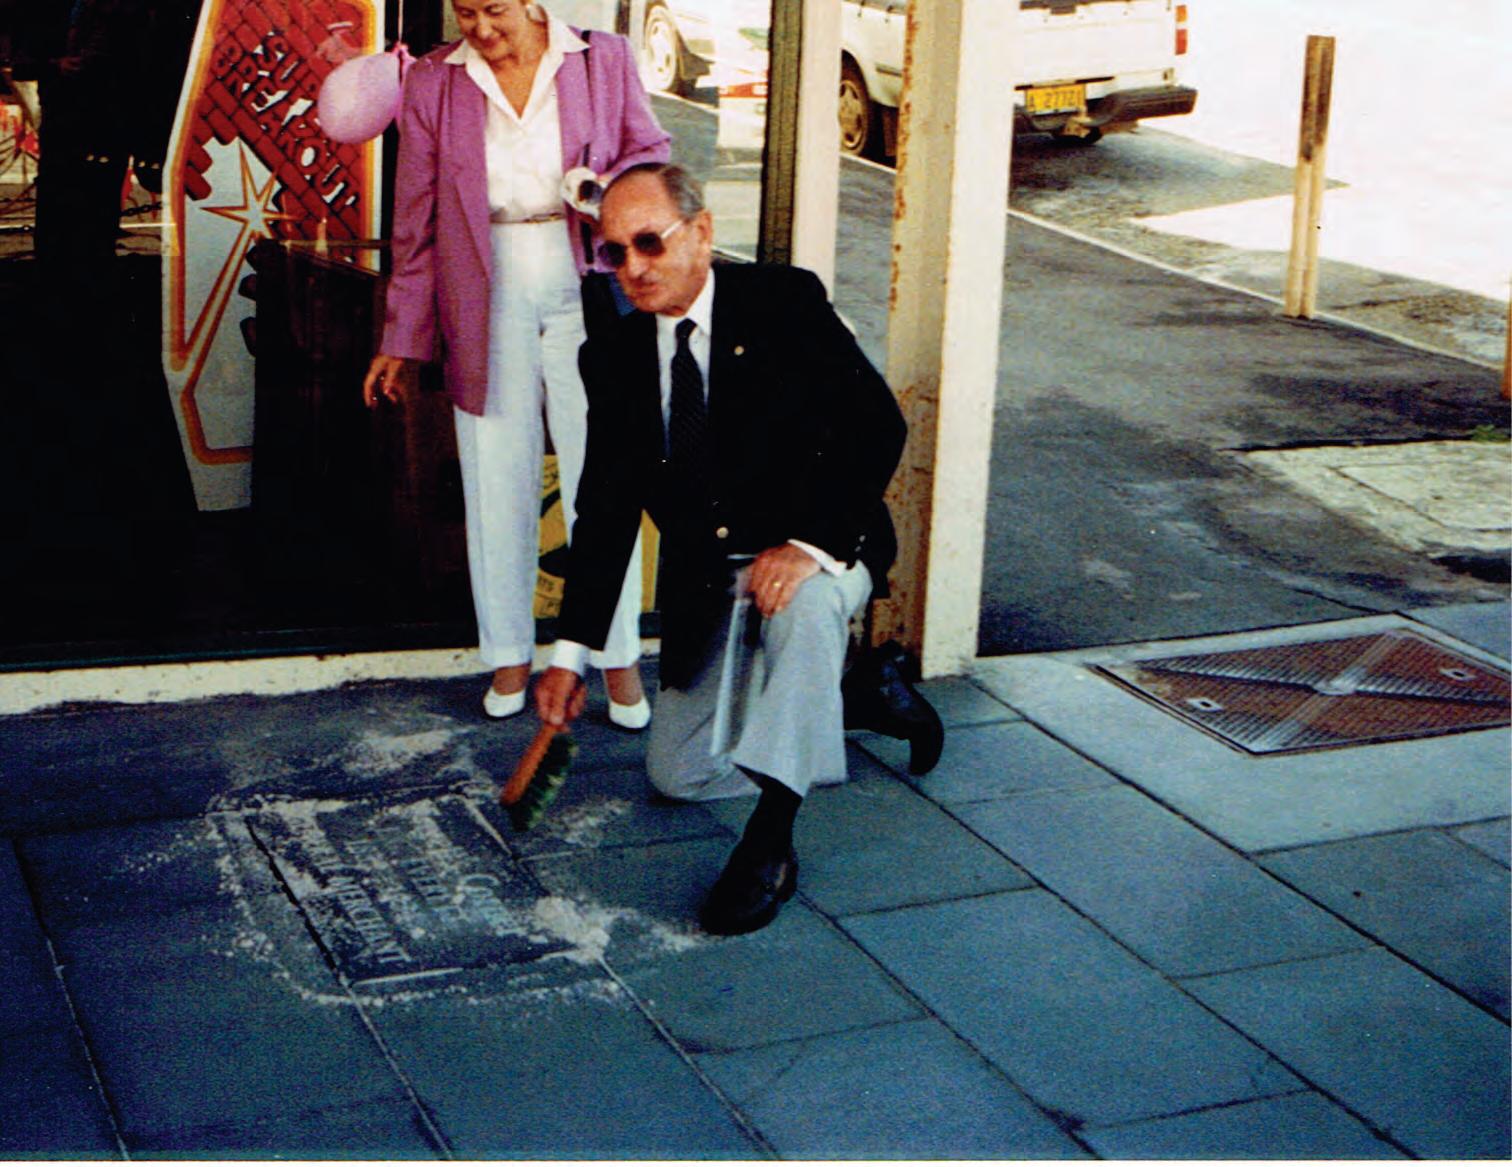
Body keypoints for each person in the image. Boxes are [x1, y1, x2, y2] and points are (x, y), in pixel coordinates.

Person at [535, 163, 936, 936]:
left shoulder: (783, 302)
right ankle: (854, 696)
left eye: (650, 242)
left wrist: (807, 544)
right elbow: (606, 511)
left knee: (806, 609)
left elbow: (876, 426)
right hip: (710, 578)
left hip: (822, 547)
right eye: (614, 252)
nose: (633, 268)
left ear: (702, 231)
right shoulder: (612, 354)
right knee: (679, 775)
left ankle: (769, 843)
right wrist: (570, 653)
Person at [363, 0, 669, 729]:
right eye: (465, 10)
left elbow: (651, 158)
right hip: (482, 283)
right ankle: (507, 653)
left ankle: (617, 655)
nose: (480, 28)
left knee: (606, 477)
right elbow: (415, 220)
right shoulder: (434, 80)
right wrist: (400, 335)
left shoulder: (601, 60)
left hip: (584, 279)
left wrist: (602, 191)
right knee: (494, 475)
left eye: (494, 9)